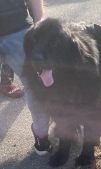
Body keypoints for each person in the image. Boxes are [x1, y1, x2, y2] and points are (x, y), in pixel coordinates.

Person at [0, 0, 54, 156]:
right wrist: (40, 24)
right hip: (17, 30)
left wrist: (40, 26)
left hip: (18, 31)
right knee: (35, 87)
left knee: (36, 87)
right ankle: (41, 139)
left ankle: (41, 138)